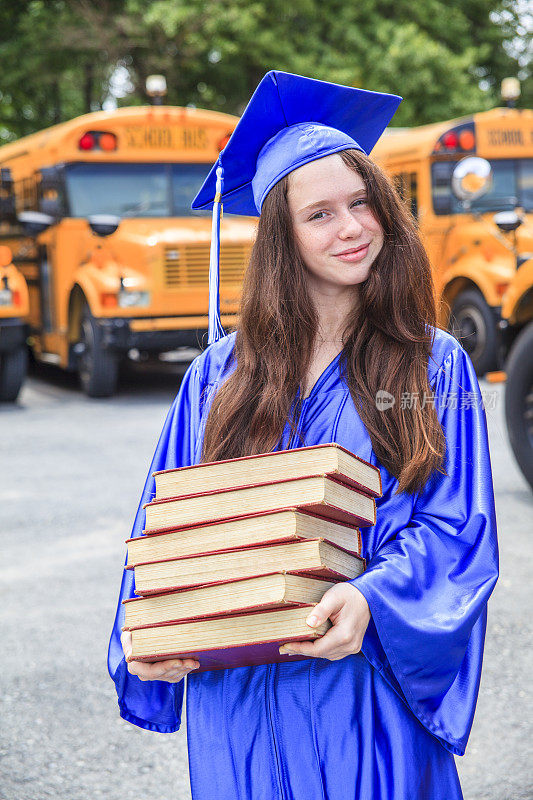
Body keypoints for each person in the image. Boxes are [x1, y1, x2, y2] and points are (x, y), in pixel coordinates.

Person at [108, 71, 499, 799]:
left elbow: (456, 527)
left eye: (362, 204)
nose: (352, 228)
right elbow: (164, 529)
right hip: (238, 696)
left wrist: (374, 599)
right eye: (319, 214)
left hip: (360, 687)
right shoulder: (214, 377)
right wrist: (144, 639)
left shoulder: (430, 362)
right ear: (280, 239)